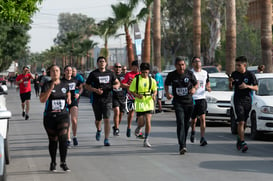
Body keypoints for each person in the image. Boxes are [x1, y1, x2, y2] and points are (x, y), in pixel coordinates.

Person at [40, 65, 71, 172]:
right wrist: (50, 88)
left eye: (57, 70)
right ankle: (53, 162)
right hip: (49, 116)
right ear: (50, 73)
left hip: (63, 115)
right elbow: (42, 100)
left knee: (63, 138)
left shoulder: (65, 84)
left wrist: (70, 98)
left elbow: (68, 95)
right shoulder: (46, 84)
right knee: (53, 140)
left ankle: (63, 162)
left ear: (60, 72)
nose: (55, 72)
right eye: (53, 71)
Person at [164, 56, 198, 155]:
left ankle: (184, 143)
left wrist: (194, 89)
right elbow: (166, 84)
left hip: (189, 102)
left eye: (183, 65)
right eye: (179, 65)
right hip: (178, 102)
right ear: (175, 65)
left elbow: (196, 84)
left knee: (186, 124)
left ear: (185, 65)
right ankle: (182, 145)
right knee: (180, 123)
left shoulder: (189, 74)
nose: (181, 67)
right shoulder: (172, 75)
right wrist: (167, 93)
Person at [85, 56, 120, 146]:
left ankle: (106, 139)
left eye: (103, 61)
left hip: (107, 99)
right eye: (100, 61)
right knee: (98, 119)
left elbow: (117, 82)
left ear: (106, 63)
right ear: (97, 63)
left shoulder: (110, 73)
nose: (102, 63)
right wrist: (95, 90)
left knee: (107, 119)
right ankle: (99, 129)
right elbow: (87, 86)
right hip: (96, 100)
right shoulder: (93, 74)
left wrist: (116, 86)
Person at [228, 56, 258, 153]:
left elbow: (256, 88)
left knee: (244, 122)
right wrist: (230, 82)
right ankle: (243, 141)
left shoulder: (250, 75)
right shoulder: (234, 74)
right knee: (240, 121)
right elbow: (230, 88)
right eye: (236, 65)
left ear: (244, 65)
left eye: (239, 65)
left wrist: (247, 86)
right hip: (238, 100)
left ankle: (239, 138)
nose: (237, 67)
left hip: (247, 100)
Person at [129, 63, 157, 147]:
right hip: (140, 102)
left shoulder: (151, 80)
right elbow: (131, 90)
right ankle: (139, 128)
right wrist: (137, 95)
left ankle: (146, 139)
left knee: (148, 120)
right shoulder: (136, 80)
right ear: (140, 71)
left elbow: (155, 90)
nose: (145, 74)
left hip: (148, 102)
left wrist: (154, 95)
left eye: (146, 72)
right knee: (141, 122)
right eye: (143, 72)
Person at [190, 57, 211, 146]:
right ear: (193, 63)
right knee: (194, 120)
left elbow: (207, 82)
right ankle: (193, 131)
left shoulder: (205, 73)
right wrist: (193, 88)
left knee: (202, 118)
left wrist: (208, 87)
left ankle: (202, 137)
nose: (198, 63)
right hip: (193, 98)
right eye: (196, 62)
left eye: (199, 61)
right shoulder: (191, 73)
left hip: (202, 98)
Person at [62, 66, 83, 147]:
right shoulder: (61, 81)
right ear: (64, 72)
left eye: (70, 70)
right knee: (67, 121)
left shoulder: (75, 80)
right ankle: (68, 139)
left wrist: (78, 93)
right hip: (65, 102)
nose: (69, 72)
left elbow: (81, 87)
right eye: (67, 70)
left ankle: (74, 136)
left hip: (74, 101)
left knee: (74, 120)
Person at [121, 60, 140, 137]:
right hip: (130, 96)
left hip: (139, 97)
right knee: (131, 113)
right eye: (136, 67)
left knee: (140, 114)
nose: (137, 68)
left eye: (138, 67)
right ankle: (129, 127)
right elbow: (122, 84)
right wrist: (129, 86)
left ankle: (139, 130)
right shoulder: (128, 74)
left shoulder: (141, 75)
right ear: (132, 67)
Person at [112, 63, 126, 136]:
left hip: (122, 97)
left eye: (119, 67)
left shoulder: (124, 76)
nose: (118, 68)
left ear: (121, 68)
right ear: (114, 68)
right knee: (116, 112)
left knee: (121, 114)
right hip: (114, 97)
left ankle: (115, 126)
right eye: (116, 67)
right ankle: (117, 129)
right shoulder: (111, 76)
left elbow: (128, 85)